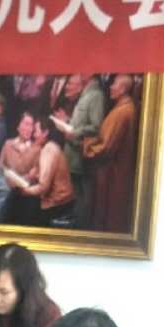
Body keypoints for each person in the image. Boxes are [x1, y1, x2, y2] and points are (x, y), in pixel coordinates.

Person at [83, 74, 139, 233]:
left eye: (114, 84)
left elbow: (105, 147)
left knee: (109, 217)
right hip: (114, 172)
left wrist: (86, 145)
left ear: (122, 89)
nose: (110, 87)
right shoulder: (124, 108)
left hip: (113, 174)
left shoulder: (122, 112)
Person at [55, 73, 106, 228]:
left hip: (80, 155)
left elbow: (96, 126)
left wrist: (74, 133)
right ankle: (76, 223)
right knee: (77, 194)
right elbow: (82, 123)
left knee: (83, 195)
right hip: (73, 154)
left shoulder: (96, 95)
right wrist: (67, 121)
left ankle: (81, 227)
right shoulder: (87, 94)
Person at [17, 121, 76, 226]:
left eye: (36, 131)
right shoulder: (48, 147)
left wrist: (25, 191)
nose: (33, 135)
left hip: (58, 206)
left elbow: (43, 187)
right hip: (61, 204)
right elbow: (35, 173)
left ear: (45, 133)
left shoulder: (49, 150)